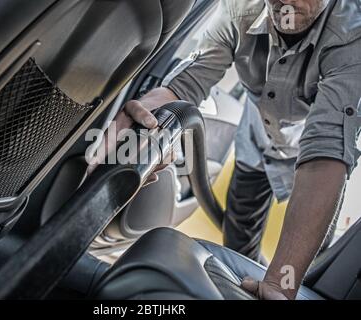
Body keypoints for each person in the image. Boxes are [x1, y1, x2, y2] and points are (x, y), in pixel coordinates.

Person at [94, 0, 361, 299]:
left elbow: (325, 152)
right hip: (255, 143)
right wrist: (144, 114)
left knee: (311, 259)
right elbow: (184, 84)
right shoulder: (238, 10)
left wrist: (280, 284)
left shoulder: (352, 35)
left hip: (308, 154)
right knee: (237, 236)